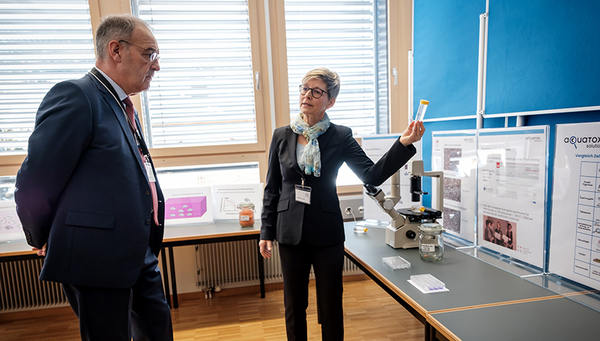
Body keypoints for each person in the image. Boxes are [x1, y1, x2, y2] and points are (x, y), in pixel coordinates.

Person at [14, 14, 173, 341]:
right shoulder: (77, 96)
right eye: (149, 54)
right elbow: (35, 181)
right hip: (97, 258)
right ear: (116, 50)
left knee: (157, 330)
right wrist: (39, 236)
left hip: (137, 251)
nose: (156, 66)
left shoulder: (121, 104)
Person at [259, 67, 425, 340]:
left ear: (330, 101)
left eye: (316, 91)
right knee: (294, 306)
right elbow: (272, 188)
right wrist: (266, 231)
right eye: (304, 88)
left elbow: (372, 175)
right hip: (289, 233)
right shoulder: (281, 135)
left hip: (327, 233)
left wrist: (403, 143)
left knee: (331, 304)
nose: (307, 95)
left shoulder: (340, 135)